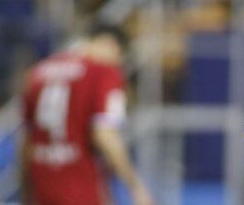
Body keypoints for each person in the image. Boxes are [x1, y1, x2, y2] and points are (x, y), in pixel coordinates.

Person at [20, 24, 153, 205]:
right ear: (111, 45)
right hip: (81, 186)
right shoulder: (104, 73)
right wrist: (135, 185)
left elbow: (26, 141)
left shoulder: (38, 72)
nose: (117, 64)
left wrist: (26, 191)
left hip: (43, 187)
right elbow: (104, 134)